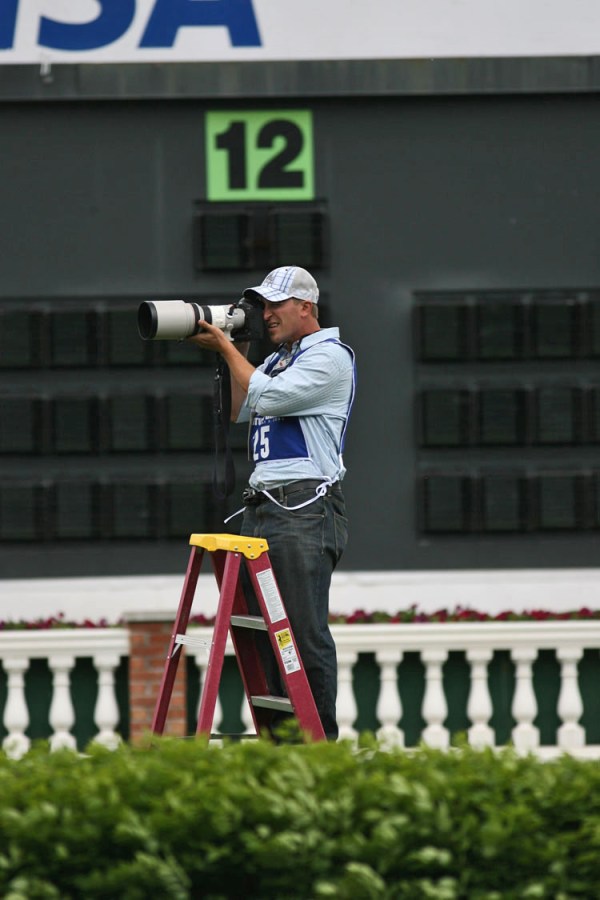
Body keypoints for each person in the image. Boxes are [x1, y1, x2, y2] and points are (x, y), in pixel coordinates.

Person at [189, 265, 356, 740]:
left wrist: (225, 347)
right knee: (266, 638)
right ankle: (282, 741)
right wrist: (234, 347)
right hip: (266, 506)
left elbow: (272, 399)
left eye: (276, 305)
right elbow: (244, 407)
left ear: (307, 307)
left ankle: (318, 745)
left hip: (305, 507)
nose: (266, 315)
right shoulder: (282, 357)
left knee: (303, 633)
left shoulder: (329, 357)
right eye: (263, 306)